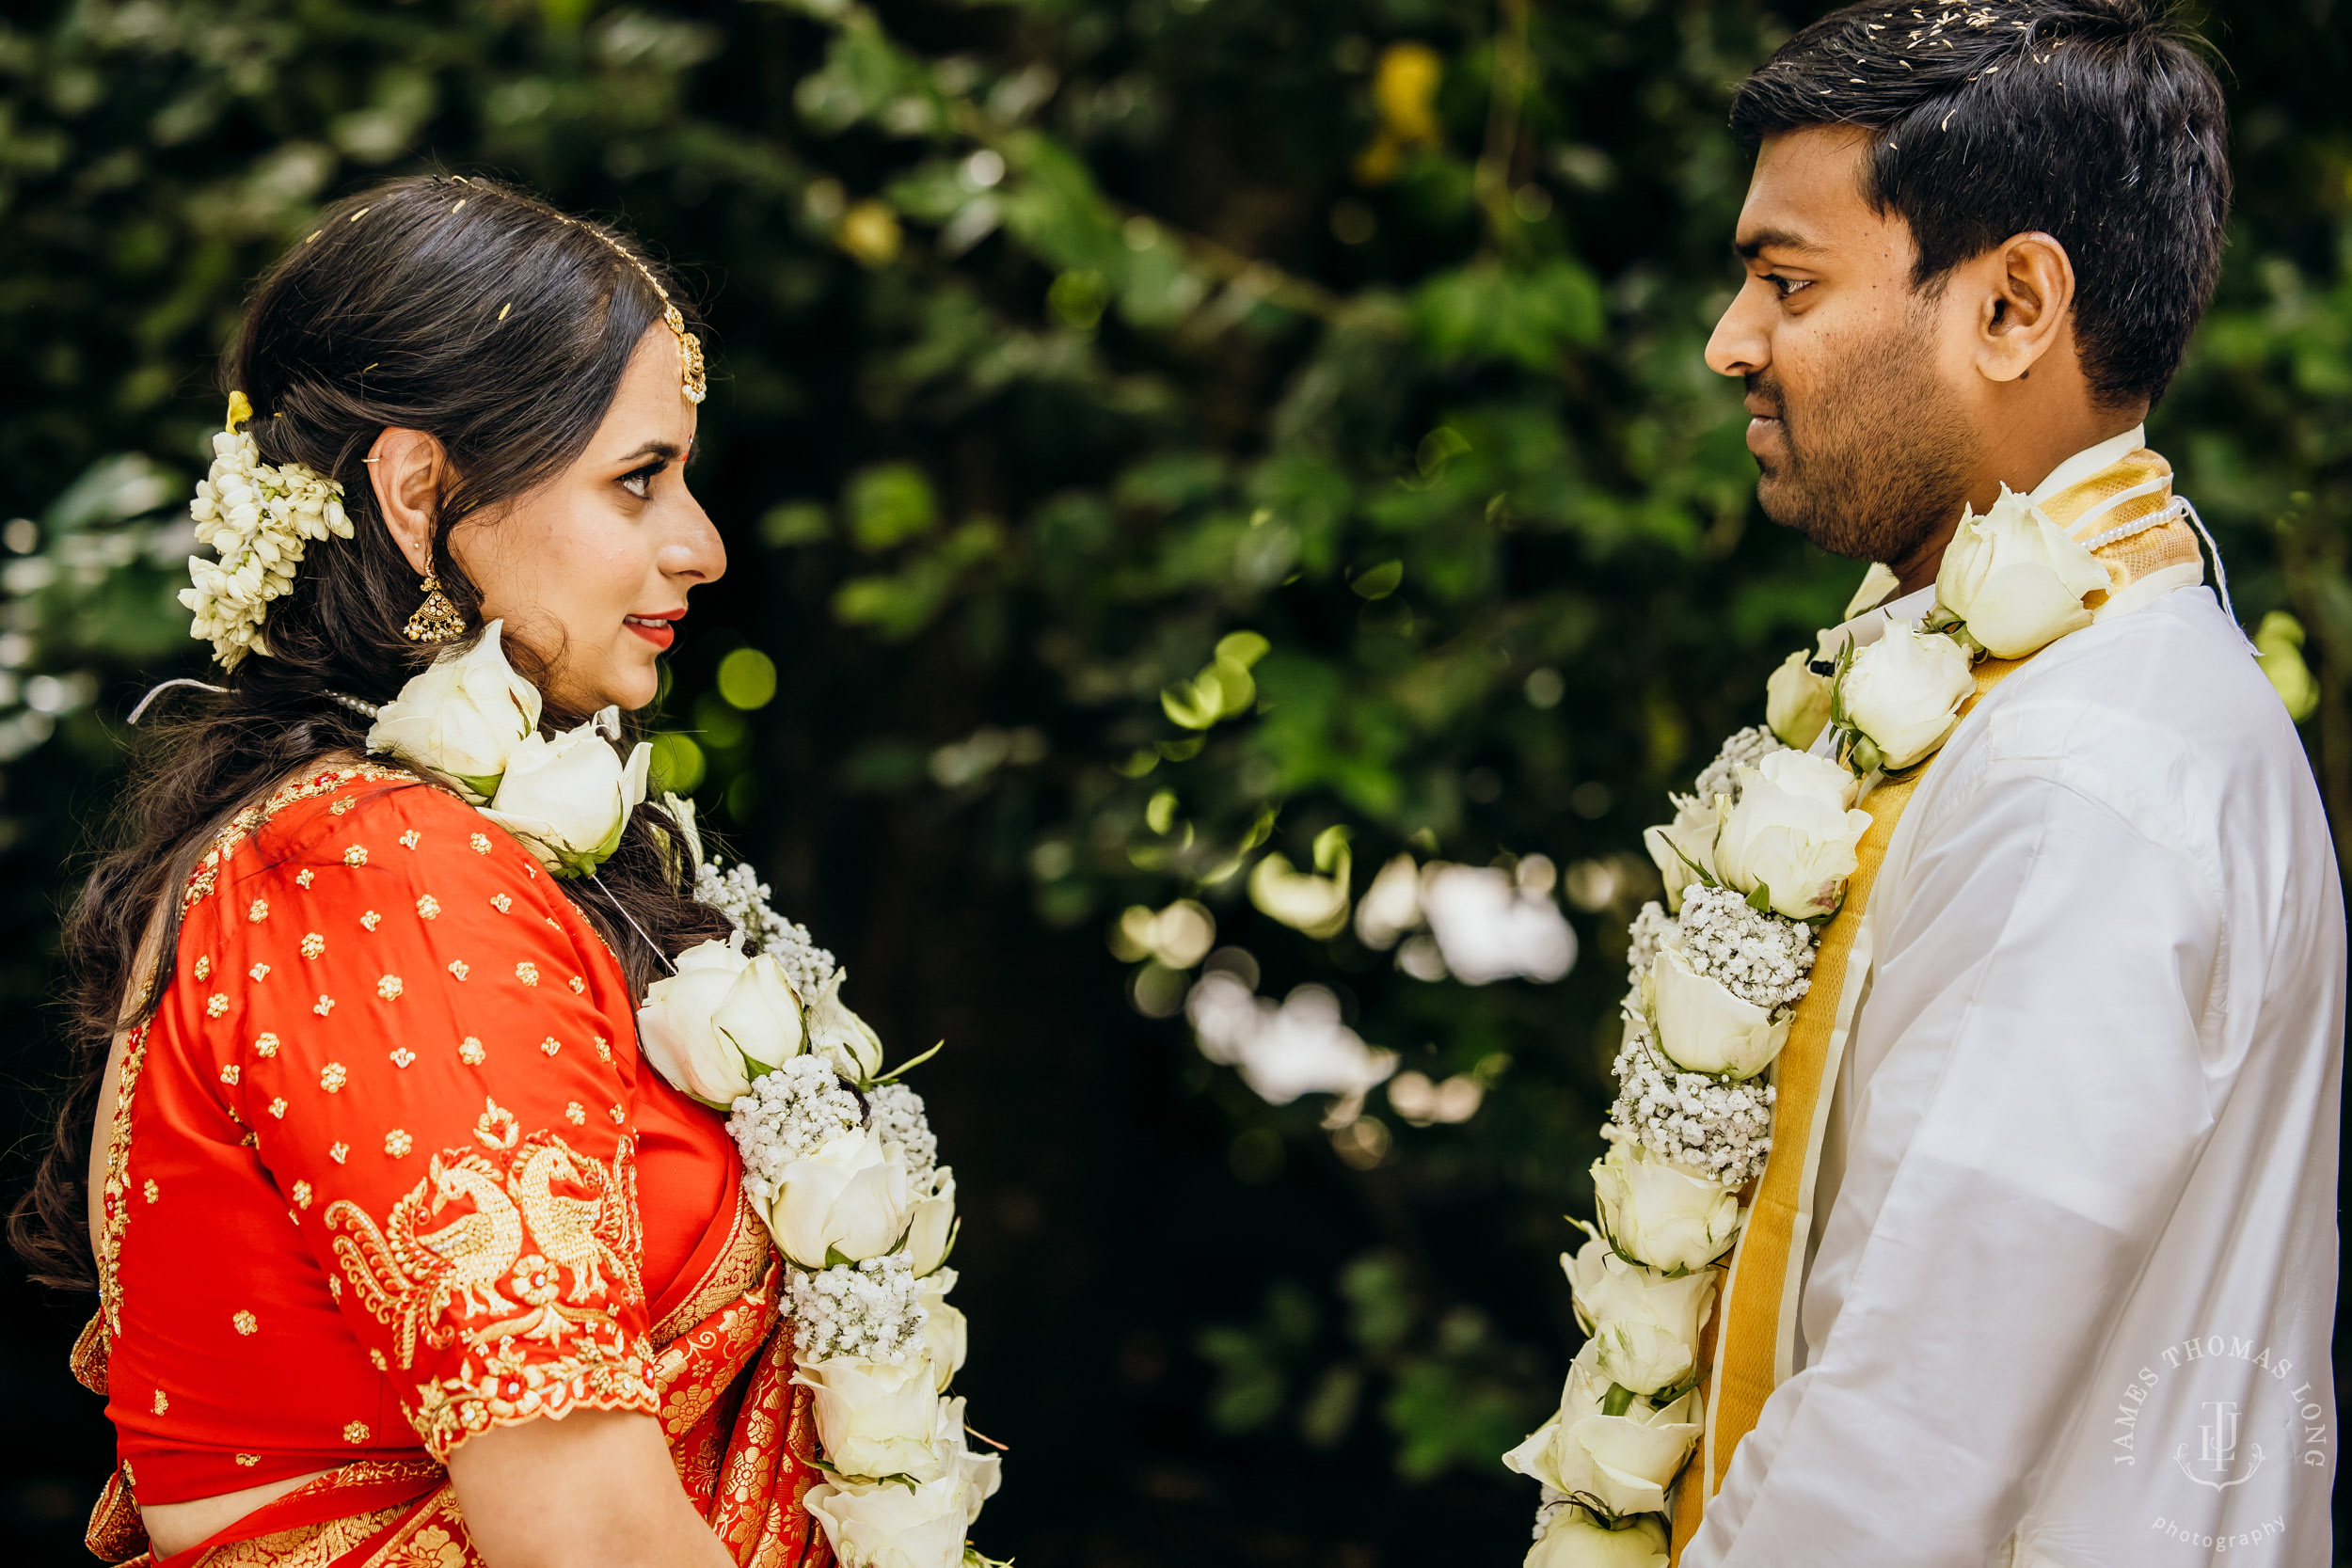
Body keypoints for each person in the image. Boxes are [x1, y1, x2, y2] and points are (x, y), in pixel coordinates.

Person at [11, 175, 834, 1567]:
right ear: (418, 491)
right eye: (639, 479)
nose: (700, 545)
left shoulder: (355, 846)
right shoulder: (370, 871)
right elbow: (588, 1539)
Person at [1677, 2, 2341, 1563]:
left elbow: (1901, 1440)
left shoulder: (2090, 767)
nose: (1732, 341)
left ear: (2011, 306)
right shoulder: (2050, 697)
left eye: (1787, 281)